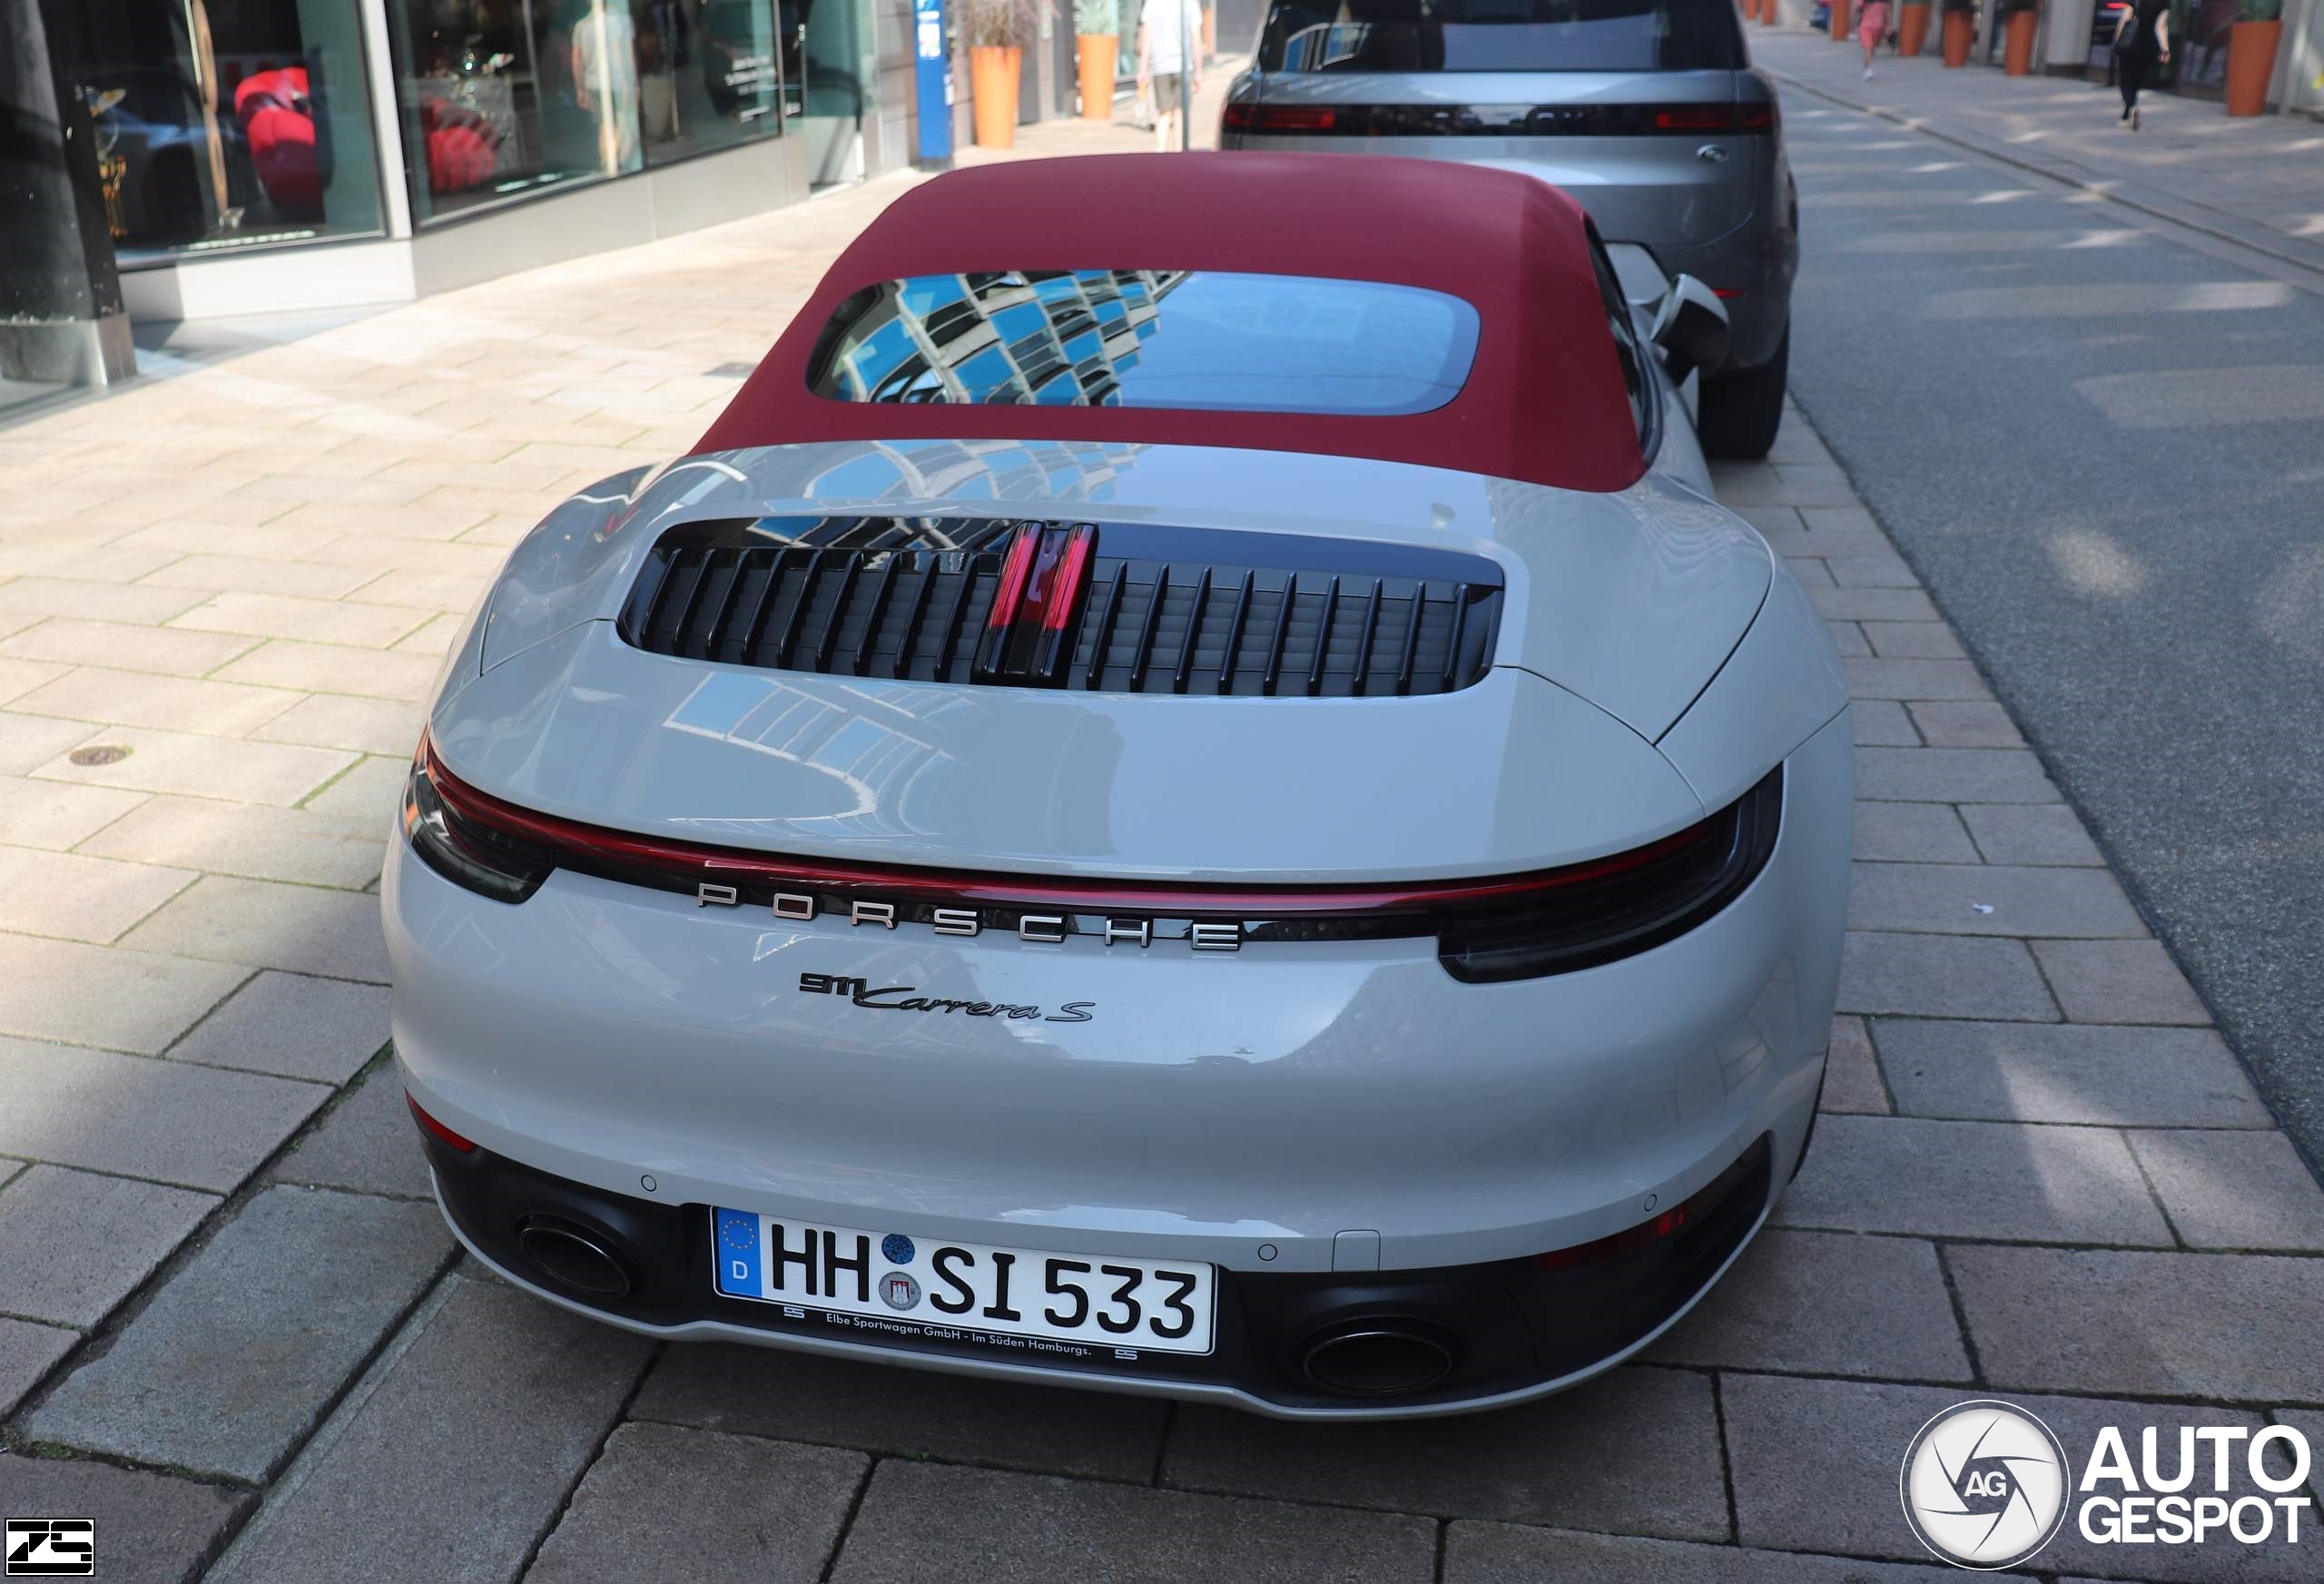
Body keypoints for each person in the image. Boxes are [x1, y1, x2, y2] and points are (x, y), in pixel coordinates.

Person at [1137, 0, 1204, 153]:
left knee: (1163, 112)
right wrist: (1199, 72)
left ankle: (1160, 151)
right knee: (1180, 112)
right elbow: (1196, 40)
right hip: (1184, 66)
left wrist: (1143, 69)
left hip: (1160, 66)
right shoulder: (1190, 3)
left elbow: (1147, 39)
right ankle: (1178, 152)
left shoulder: (1152, 3)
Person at [2113, 0, 2170, 131]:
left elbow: (2124, 20)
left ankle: (2130, 109)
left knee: (2125, 80)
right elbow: (2161, 26)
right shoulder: (2164, 3)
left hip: (2129, 44)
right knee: (2136, 80)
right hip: (2149, 46)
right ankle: (2127, 113)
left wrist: (2117, 41)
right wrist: (2165, 49)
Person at [1857, 0, 1891, 77]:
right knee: (1868, 46)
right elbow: (1888, 12)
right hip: (1867, 27)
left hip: (1876, 27)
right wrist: (1889, 25)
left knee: (1871, 48)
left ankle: (1867, 67)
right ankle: (1869, 69)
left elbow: (1857, 9)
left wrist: (1889, 25)